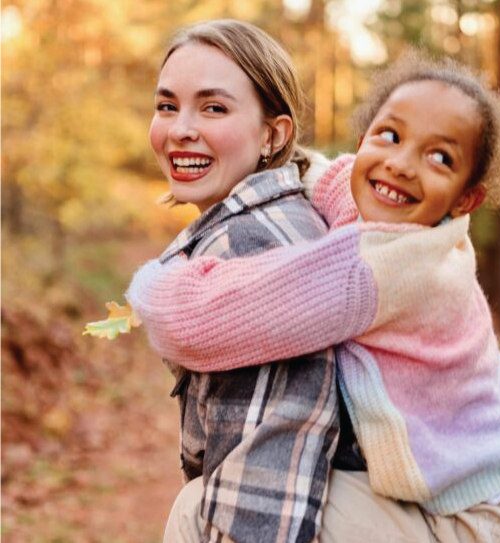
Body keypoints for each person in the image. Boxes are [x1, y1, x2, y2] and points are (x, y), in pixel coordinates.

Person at [128, 51, 500, 543]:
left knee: (193, 513)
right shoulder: (392, 211)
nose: (400, 164)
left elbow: (206, 320)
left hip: (473, 516)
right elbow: (326, 174)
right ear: (362, 142)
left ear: (467, 199)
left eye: (439, 157)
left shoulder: (379, 269)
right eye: (390, 136)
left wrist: (151, 285)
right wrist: (278, 158)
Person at [136, 19, 342, 543]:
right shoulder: (276, 219)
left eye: (214, 108)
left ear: (274, 133)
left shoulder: (250, 252)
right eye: (167, 105)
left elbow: (261, 499)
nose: (180, 128)